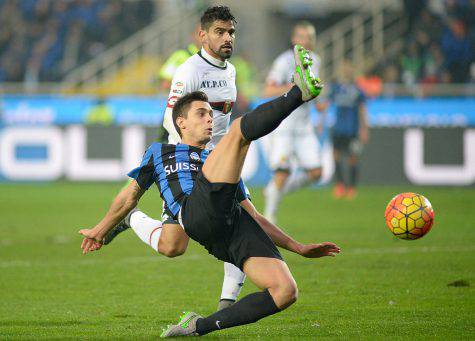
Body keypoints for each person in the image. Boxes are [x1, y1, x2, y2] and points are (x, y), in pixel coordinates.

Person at [79, 45, 339, 337]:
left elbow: (255, 217)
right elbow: (129, 196)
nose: (210, 119)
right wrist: (100, 229)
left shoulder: (220, 165)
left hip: (228, 230)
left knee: (285, 291)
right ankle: (297, 93)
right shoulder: (160, 152)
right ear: (181, 122)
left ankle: (197, 326)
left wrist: (299, 248)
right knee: (239, 130)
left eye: (211, 114)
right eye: (201, 114)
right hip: (195, 213)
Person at [105, 6, 247, 312]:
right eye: (219, 32)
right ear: (202, 35)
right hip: (185, 164)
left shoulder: (231, 71)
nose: (227, 38)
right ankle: (130, 218)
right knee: (173, 246)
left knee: (242, 226)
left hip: (223, 162)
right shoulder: (188, 71)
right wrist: (192, 153)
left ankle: (226, 304)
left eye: (230, 32)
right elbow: (172, 119)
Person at [263, 21, 324, 224]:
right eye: (302, 36)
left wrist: (319, 105)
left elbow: (314, 91)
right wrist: (295, 87)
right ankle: (270, 217)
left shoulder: (316, 60)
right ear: (294, 40)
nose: (306, 41)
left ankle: (274, 191)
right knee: (282, 172)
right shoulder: (283, 61)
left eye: (309, 37)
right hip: (284, 127)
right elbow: (268, 90)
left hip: (305, 127)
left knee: (316, 173)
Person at [320, 60, 369, 199]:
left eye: (348, 68)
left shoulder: (358, 90)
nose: (346, 71)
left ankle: (352, 187)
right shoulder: (336, 88)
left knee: (352, 158)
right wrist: (321, 123)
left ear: (352, 71)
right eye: (344, 68)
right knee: (336, 156)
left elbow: (362, 109)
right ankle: (340, 186)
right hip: (338, 129)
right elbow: (326, 106)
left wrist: (364, 129)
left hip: (352, 130)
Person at [156, 24, 200, 92]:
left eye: (206, 34)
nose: (203, 38)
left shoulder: (218, 57)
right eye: (199, 33)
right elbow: (165, 84)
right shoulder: (181, 55)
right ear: (193, 36)